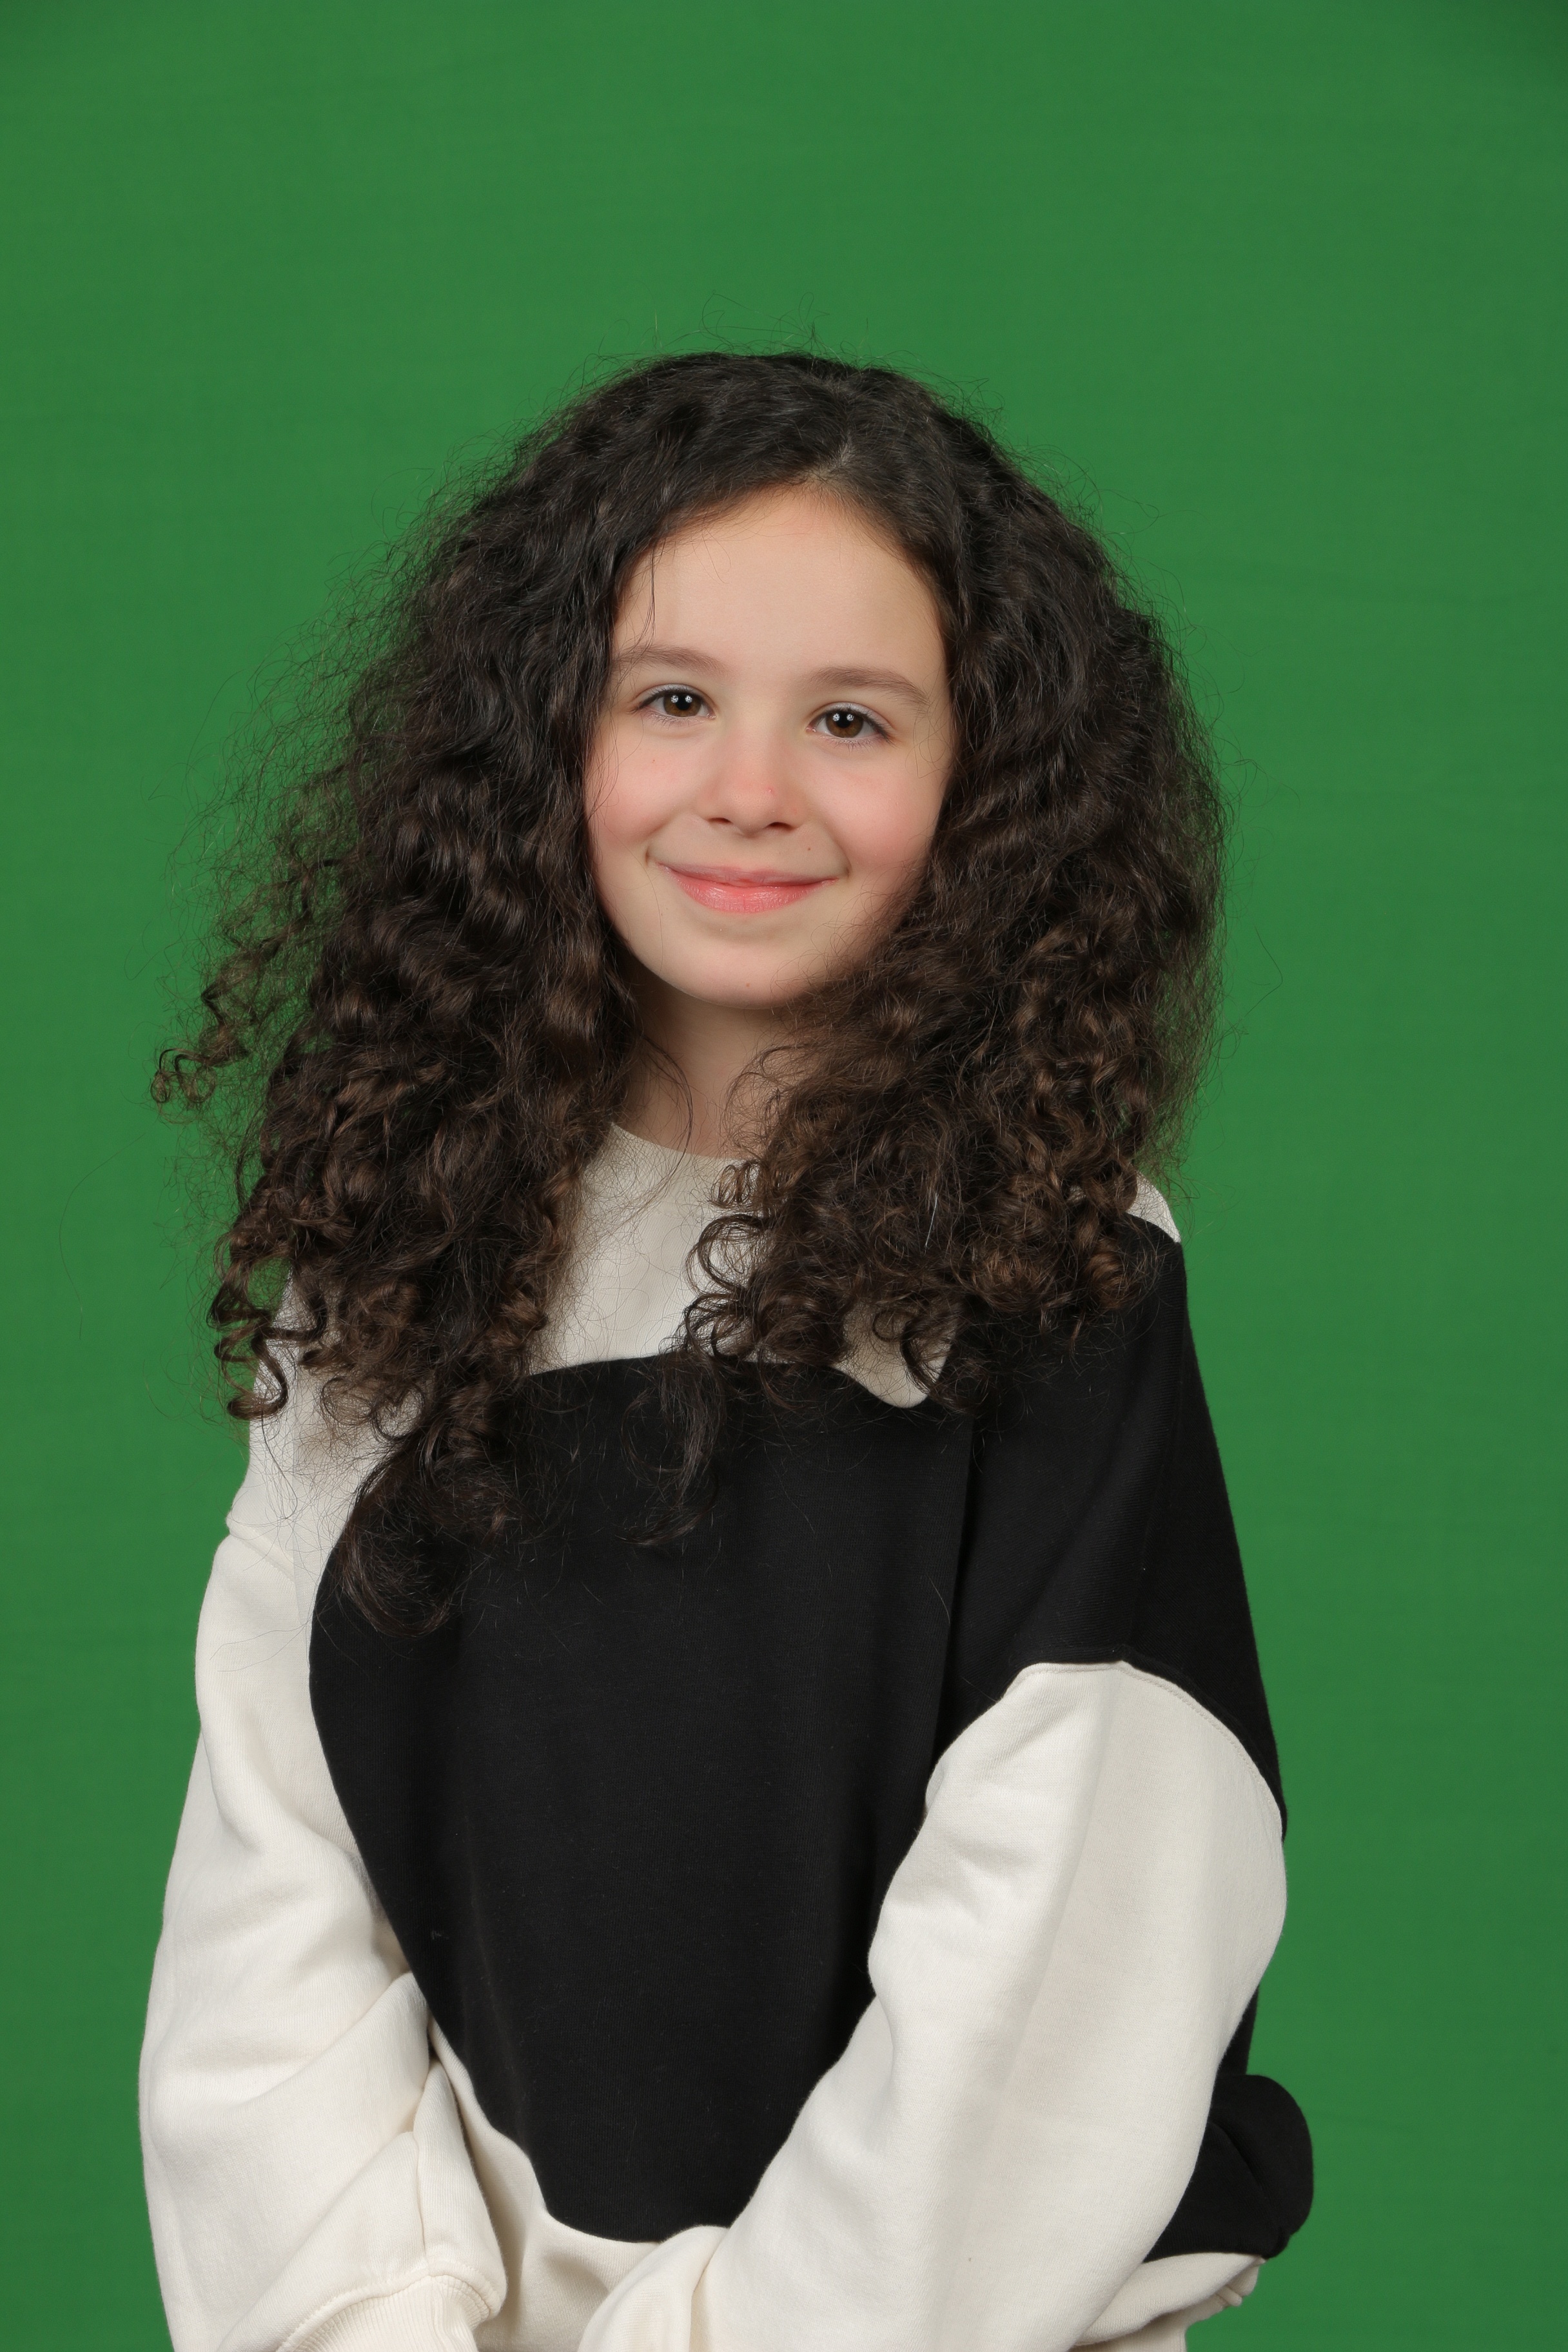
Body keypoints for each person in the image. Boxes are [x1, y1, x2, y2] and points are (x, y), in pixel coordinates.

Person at [141, 351, 1311, 2352]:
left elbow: (1055, 1981)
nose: (750, 787)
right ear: (545, 745)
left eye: (850, 718)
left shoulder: (1056, 1284)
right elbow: (278, 1928)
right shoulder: (406, 1256)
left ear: (982, 789)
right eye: (671, 698)